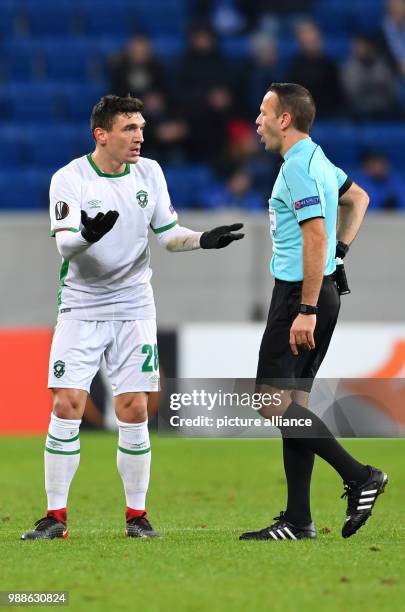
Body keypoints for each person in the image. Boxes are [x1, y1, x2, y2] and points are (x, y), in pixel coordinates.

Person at [21, 95, 244, 541]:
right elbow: (65, 244)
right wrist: (86, 234)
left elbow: (167, 235)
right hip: (82, 304)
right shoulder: (69, 178)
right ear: (101, 134)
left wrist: (204, 239)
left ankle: (137, 517)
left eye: (141, 127)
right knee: (67, 404)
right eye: (129, 128)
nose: (140, 136)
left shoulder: (150, 173)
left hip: (134, 305)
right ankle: (55, 518)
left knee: (135, 408)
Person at [240, 83, 388, 542]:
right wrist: (340, 256)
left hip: (299, 298)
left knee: (270, 401)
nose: (258, 121)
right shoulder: (319, 160)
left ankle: (359, 475)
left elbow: (314, 237)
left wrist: (304, 306)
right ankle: (299, 520)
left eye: (264, 112)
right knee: (294, 406)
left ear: (285, 119)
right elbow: (358, 198)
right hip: (321, 291)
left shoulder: (298, 169)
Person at [286, 20, 344, 116]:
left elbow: (337, 96)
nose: (309, 39)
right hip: (302, 116)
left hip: (328, 114)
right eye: (305, 36)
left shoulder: (329, 65)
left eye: (312, 35)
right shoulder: (294, 66)